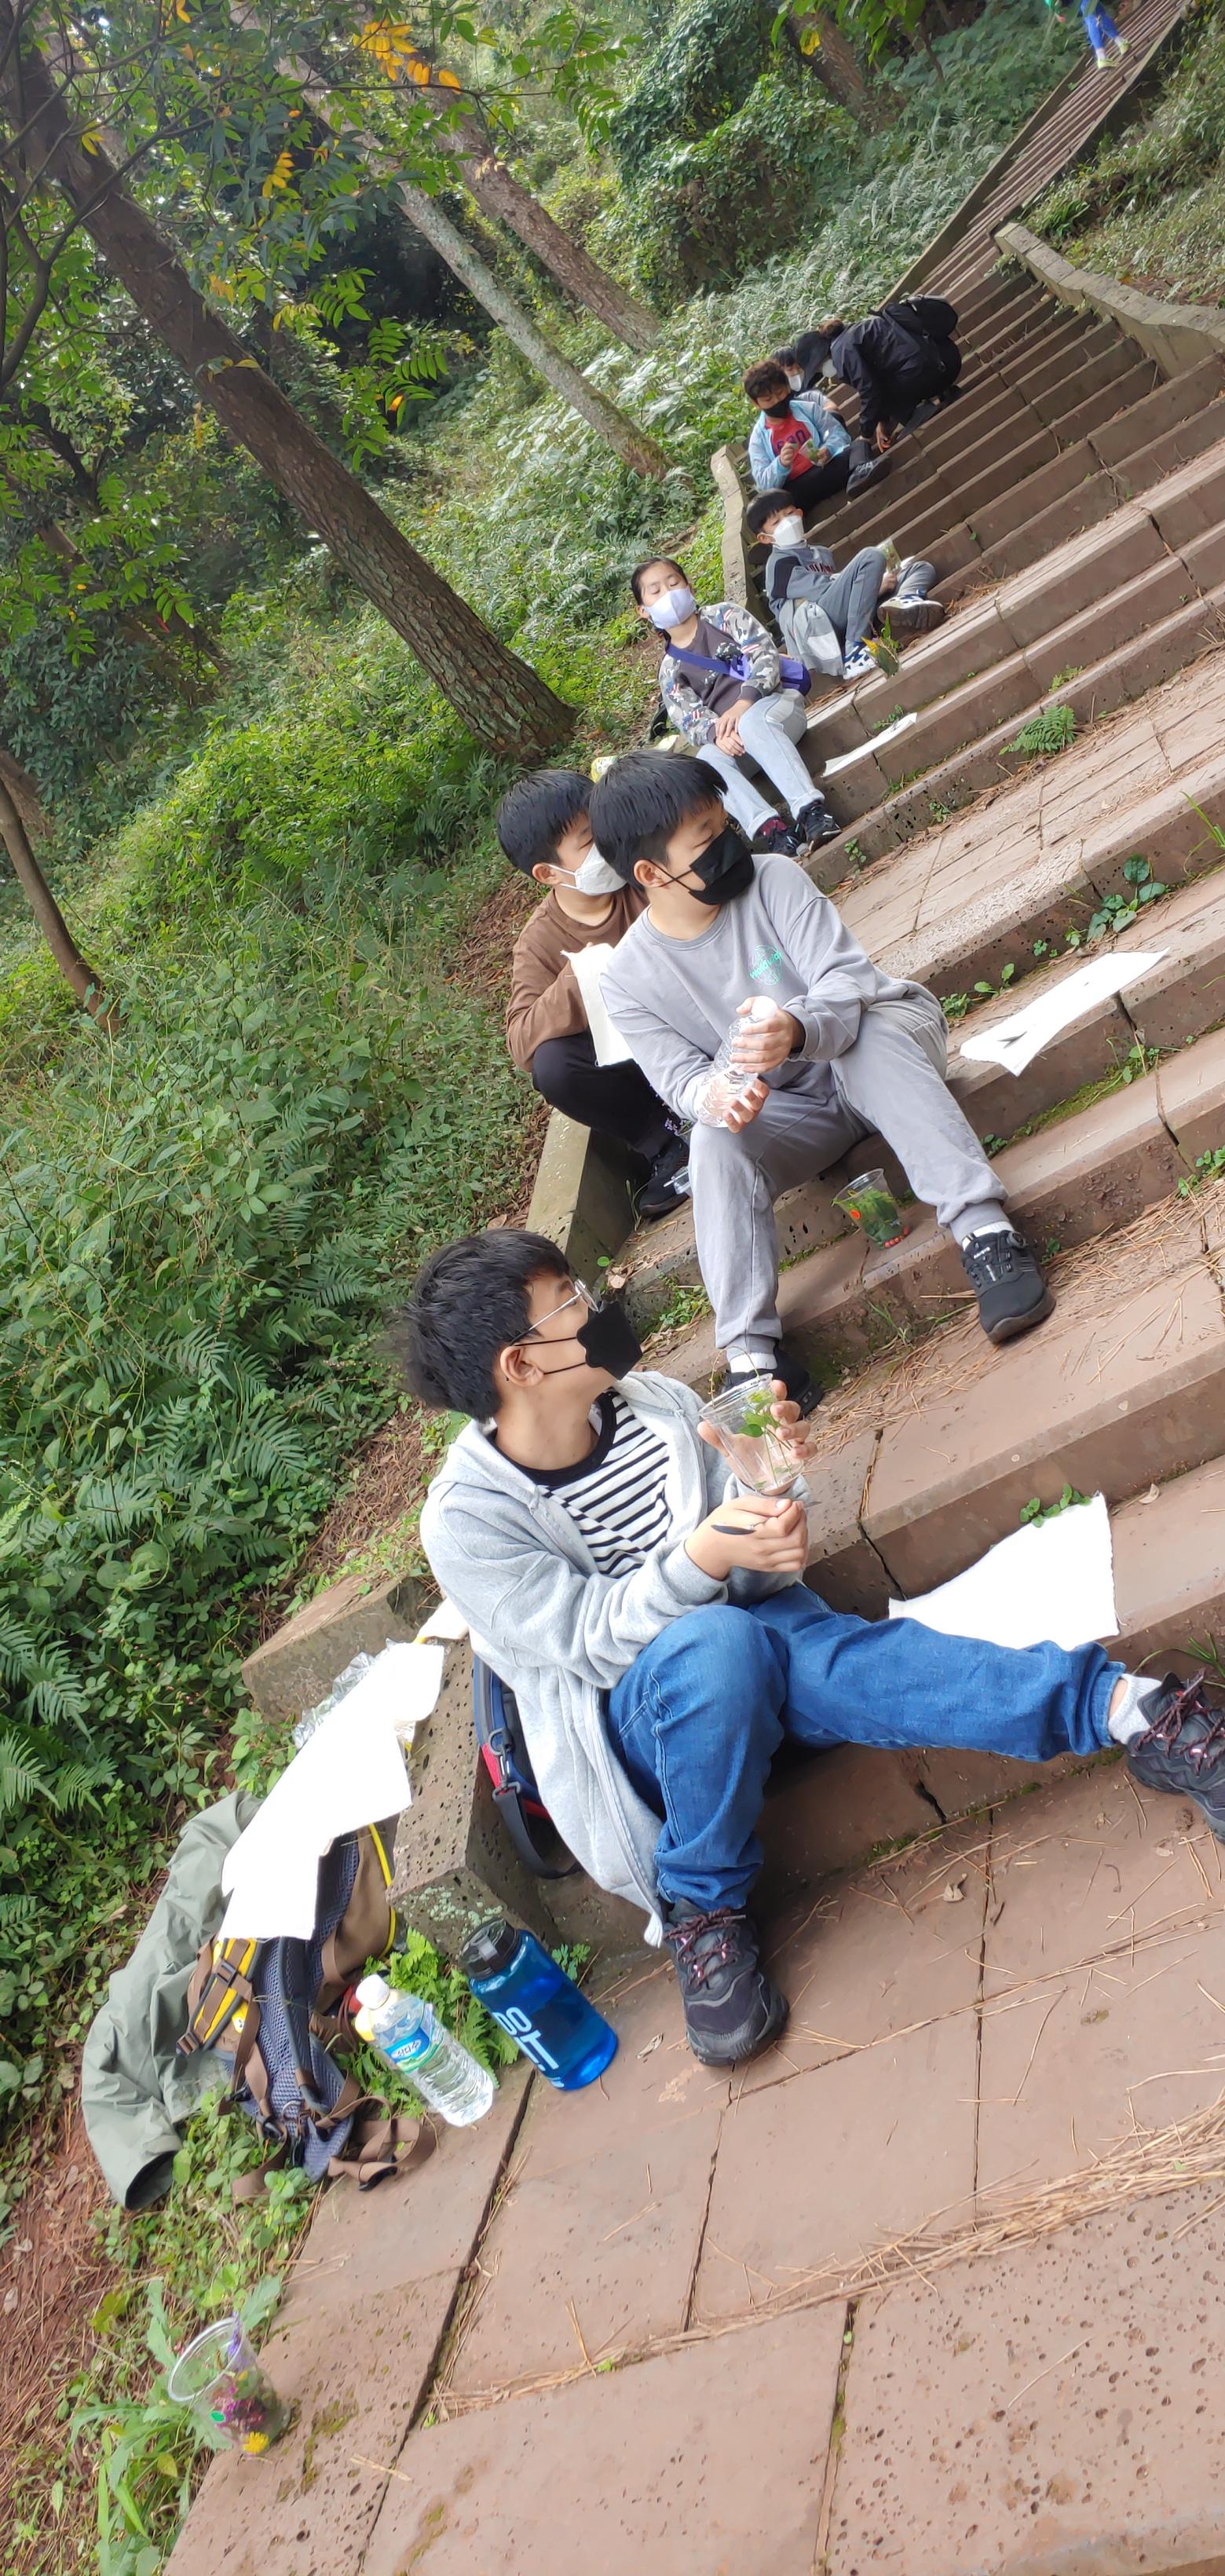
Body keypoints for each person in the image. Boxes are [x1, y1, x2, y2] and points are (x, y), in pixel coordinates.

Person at [402, 1226, 1225, 2066]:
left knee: (852, 1661)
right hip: (646, 1726)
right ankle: (702, 1910)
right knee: (717, 1646)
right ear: (521, 1364)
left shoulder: (655, 1403)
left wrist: (769, 1494)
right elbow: (590, 1643)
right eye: (569, 1301)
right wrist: (703, 1558)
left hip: (761, 1641)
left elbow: (753, 1559)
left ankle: (1135, 1711)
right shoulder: (468, 1520)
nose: (595, 1306)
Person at [592, 751, 1053, 1407]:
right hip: (798, 1110)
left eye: (725, 823)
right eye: (706, 838)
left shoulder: (773, 879)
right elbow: (681, 1081)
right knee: (714, 1140)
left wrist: (796, 1027)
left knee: (865, 1040)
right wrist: (716, 1098)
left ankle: (986, 1234)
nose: (730, 843)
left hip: (884, 1042)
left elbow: (846, 981)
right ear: (650, 873)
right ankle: (753, 1359)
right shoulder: (626, 979)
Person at [497, 767, 691, 1221]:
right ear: (548, 872)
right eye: (588, 842)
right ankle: (666, 1144)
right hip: (633, 1058)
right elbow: (521, 1040)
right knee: (553, 1065)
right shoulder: (540, 941)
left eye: (602, 827)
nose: (605, 845)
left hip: (695, 1010)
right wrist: (581, 978)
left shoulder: (641, 870)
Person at [631, 555, 836, 858]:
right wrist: (717, 733)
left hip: (777, 708)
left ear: (688, 587)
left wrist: (743, 704)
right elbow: (690, 719)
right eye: (656, 591)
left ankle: (811, 812)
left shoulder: (724, 617)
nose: (668, 594)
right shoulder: (670, 670)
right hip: (736, 742)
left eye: (673, 583)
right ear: (643, 610)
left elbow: (765, 656)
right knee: (705, 762)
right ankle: (772, 831)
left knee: (752, 722)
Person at [744, 491, 944, 686]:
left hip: (841, 614)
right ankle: (854, 649)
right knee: (871, 557)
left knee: (920, 568)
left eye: (789, 514)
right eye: (776, 522)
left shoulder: (821, 553)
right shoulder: (779, 565)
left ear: (799, 514)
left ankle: (903, 601)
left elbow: (840, 591)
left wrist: (872, 586)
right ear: (765, 538)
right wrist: (873, 586)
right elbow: (820, 591)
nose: (787, 523)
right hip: (816, 627)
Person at [810, 300, 964, 454]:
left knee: (878, 389)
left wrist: (865, 434)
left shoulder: (841, 351)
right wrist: (882, 421)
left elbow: (869, 390)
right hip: (946, 360)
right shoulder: (858, 330)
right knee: (884, 379)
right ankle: (942, 393)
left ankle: (917, 414)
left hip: (925, 373)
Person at [743, 359, 887, 508]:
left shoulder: (807, 409)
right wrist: (781, 464)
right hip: (799, 488)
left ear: (787, 387)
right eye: (768, 400)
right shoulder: (758, 439)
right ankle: (856, 477)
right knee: (775, 501)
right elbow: (763, 483)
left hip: (826, 468)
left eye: (779, 393)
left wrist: (828, 449)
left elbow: (839, 434)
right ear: (756, 404)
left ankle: (860, 476)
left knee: (859, 445)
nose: (776, 401)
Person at [1045, 0, 1128, 69]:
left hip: (1062, 4)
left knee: (1099, 11)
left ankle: (1120, 42)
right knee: (1090, 15)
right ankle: (1101, 57)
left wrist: (1056, 12)